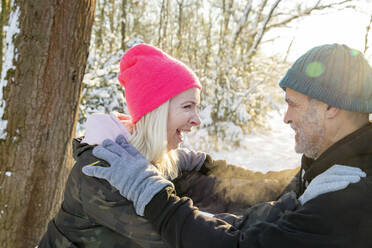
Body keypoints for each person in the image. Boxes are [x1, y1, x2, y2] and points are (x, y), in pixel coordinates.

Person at [83, 43, 372, 247]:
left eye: (292, 104)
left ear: (330, 107)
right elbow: (271, 197)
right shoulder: (330, 169)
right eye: (187, 107)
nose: (286, 117)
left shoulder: (350, 194)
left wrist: (153, 195)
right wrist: (205, 168)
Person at [39, 43, 314, 247]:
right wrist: (284, 214)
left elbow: (224, 192)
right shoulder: (104, 172)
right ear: (156, 112)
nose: (196, 120)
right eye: (187, 107)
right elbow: (182, 237)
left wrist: (297, 182)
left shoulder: (152, 162)